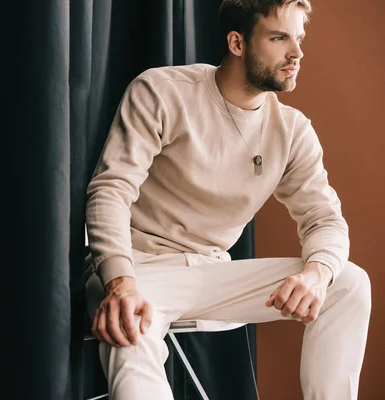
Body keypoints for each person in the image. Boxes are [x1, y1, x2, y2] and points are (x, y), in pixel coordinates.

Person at [84, 0, 372, 399]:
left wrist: (316, 274)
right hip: (140, 270)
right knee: (132, 331)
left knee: (349, 283)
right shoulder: (163, 91)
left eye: (299, 39)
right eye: (279, 38)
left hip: (214, 272)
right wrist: (120, 284)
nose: (297, 53)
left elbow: (325, 219)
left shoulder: (291, 131)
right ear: (237, 43)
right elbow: (109, 190)